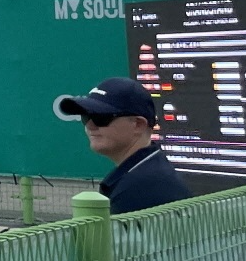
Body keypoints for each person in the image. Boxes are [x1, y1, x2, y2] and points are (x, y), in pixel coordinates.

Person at [58, 76, 193, 213]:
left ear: (138, 125)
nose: (90, 125)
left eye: (101, 117)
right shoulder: (148, 171)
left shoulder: (140, 189)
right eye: (86, 117)